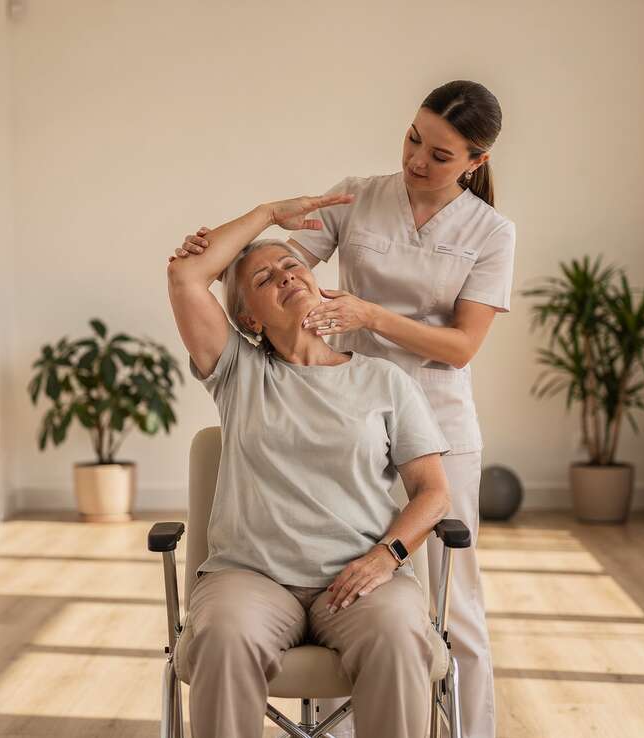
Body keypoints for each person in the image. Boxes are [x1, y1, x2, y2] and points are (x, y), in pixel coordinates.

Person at [173, 80, 513, 738]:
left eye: (440, 154)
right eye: (414, 138)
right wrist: (257, 222)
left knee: (445, 613)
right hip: (328, 398)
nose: (417, 158)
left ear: (475, 162)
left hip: (423, 409)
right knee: (333, 612)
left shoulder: (491, 233)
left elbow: (463, 346)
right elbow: (259, 269)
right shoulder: (358, 200)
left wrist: (367, 315)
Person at [165, 192, 457, 738]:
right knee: (222, 636)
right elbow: (185, 277)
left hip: (360, 575)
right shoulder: (237, 371)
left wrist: (386, 556)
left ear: (318, 279)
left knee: (399, 635)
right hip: (251, 576)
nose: (284, 276)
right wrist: (270, 215)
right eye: (264, 279)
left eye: (292, 265)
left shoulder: (384, 380)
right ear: (249, 317)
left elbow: (433, 493)